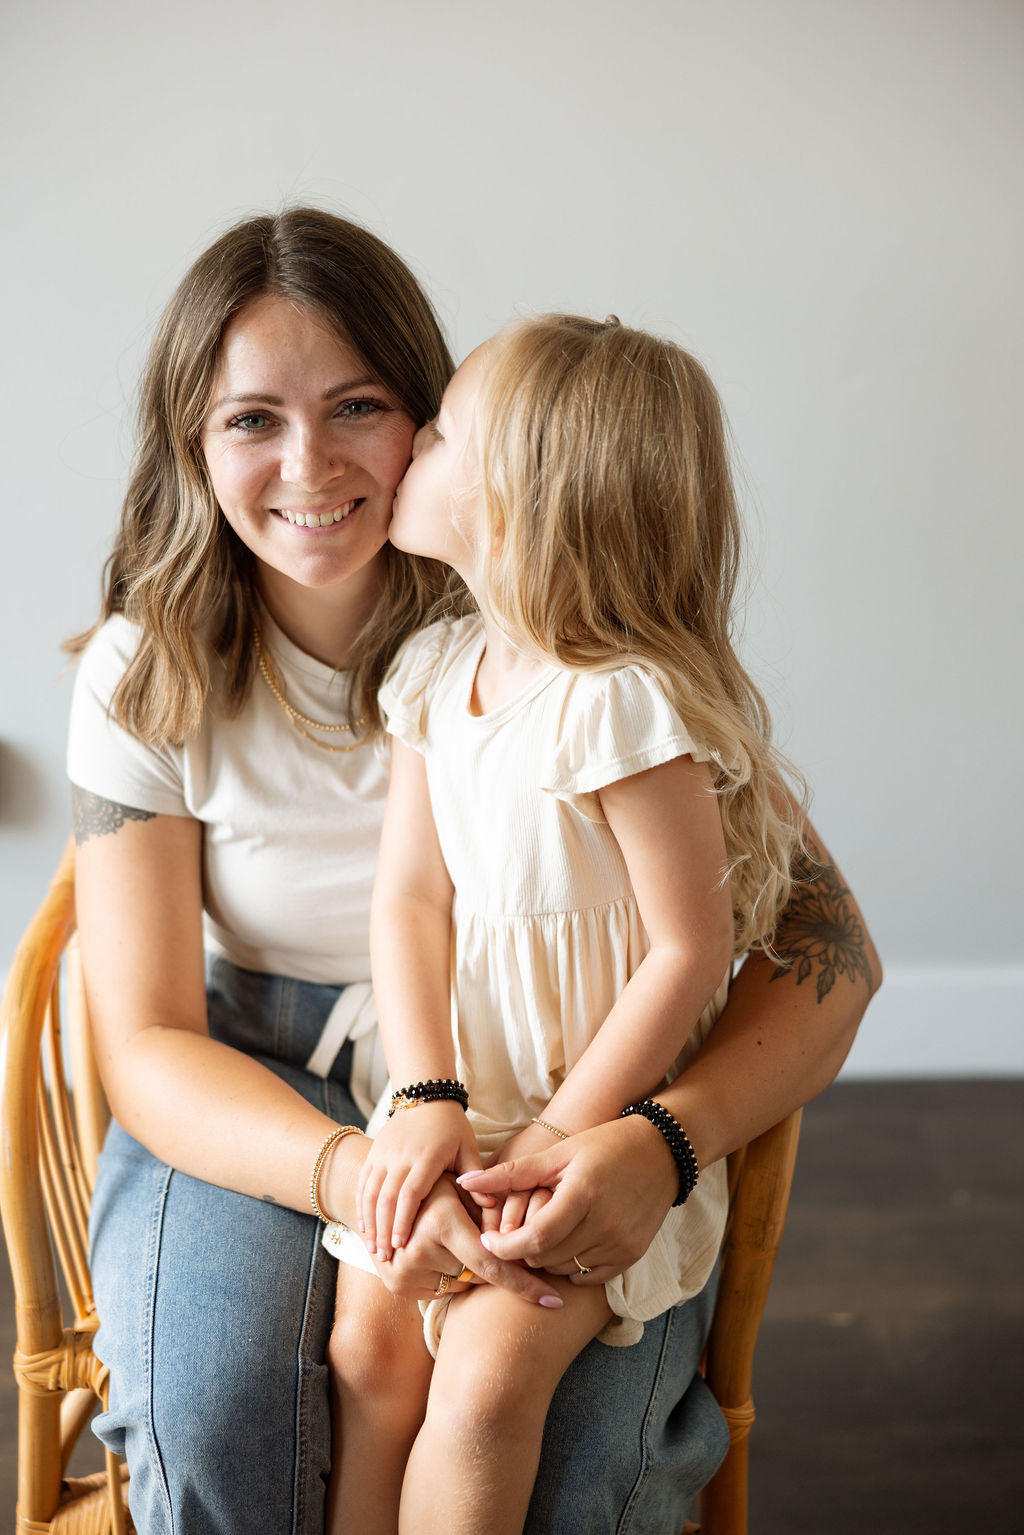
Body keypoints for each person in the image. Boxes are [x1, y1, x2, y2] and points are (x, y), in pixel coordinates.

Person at [65, 206, 881, 1535]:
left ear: (440, 423)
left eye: (364, 406)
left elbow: (822, 945)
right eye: (251, 418)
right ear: (192, 445)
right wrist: (362, 1161)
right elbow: (149, 1033)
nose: (309, 462)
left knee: (555, 1457)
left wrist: (652, 1141)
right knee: (223, 1409)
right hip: (261, 1072)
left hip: (561, 1080)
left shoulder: (535, 602)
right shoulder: (144, 671)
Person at [322, 316, 809, 1535]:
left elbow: (688, 950)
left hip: (592, 1113)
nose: (408, 448)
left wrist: (555, 1133)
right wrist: (426, 1089)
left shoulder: (622, 706)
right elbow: (410, 898)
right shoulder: (434, 672)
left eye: (436, 434)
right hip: (462, 1084)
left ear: (515, 499)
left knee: (489, 1381)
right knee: (372, 1340)